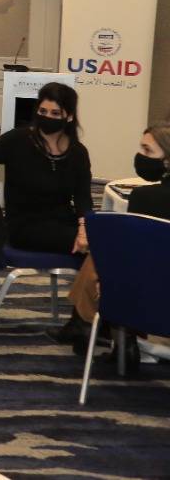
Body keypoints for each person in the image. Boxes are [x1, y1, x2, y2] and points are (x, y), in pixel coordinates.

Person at [51, 122, 170, 348]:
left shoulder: (145, 197)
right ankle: (85, 325)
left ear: (167, 161)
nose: (141, 155)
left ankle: (89, 325)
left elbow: (134, 255)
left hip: (149, 296)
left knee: (104, 251)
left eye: (147, 150)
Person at [0, 82, 92, 255]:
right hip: (24, 226)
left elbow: (83, 197)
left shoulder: (78, 152)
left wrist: (84, 229)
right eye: (43, 111)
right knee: (99, 246)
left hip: (63, 220)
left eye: (55, 113)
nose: (47, 117)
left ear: (69, 116)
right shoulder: (17, 140)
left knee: (106, 237)